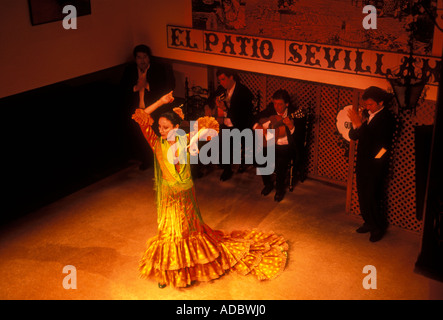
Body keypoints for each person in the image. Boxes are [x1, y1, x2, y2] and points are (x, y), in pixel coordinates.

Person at [132, 91, 288, 288]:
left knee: (184, 231)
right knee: (168, 232)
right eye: (160, 127)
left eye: (166, 127)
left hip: (185, 196)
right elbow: (141, 117)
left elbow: (207, 129)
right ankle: (170, 271)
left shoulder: (185, 141)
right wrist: (161, 101)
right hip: (168, 198)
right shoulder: (157, 144)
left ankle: (187, 268)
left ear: (177, 128)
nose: (161, 130)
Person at [348, 86, 395, 242]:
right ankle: (368, 222)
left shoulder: (387, 119)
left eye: (370, 104)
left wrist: (377, 163)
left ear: (380, 102)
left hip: (376, 165)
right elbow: (354, 136)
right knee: (362, 194)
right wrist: (356, 124)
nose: (367, 107)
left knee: (373, 196)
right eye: (366, 104)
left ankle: (377, 227)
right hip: (362, 162)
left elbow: (381, 145)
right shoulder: (366, 115)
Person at [120, 44, 175, 170]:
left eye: (145, 57)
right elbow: (123, 90)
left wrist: (147, 85)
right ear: (135, 59)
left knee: (156, 137)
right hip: (137, 110)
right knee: (140, 138)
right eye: (139, 57)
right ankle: (147, 160)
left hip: (155, 110)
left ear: (149, 58)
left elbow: (164, 89)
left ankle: (161, 160)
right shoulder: (129, 71)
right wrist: (136, 87)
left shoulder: (157, 70)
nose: (142, 60)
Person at [253, 89, 306, 202]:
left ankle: (279, 189)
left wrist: (291, 127)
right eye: (275, 103)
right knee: (259, 158)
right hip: (271, 142)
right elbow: (255, 118)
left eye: (280, 104)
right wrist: (257, 126)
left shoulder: (296, 114)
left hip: (287, 146)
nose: (277, 107)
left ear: (287, 104)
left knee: (281, 162)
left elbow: (300, 137)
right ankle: (268, 184)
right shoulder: (271, 109)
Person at [207, 68, 254, 181]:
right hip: (225, 124)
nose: (222, 83)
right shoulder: (221, 89)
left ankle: (227, 168)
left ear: (231, 77)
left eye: (223, 79)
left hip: (239, 125)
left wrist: (226, 108)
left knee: (224, 139)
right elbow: (209, 100)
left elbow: (242, 115)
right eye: (220, 81)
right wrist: (212, 105)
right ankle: (221, 160)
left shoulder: (243, 92)